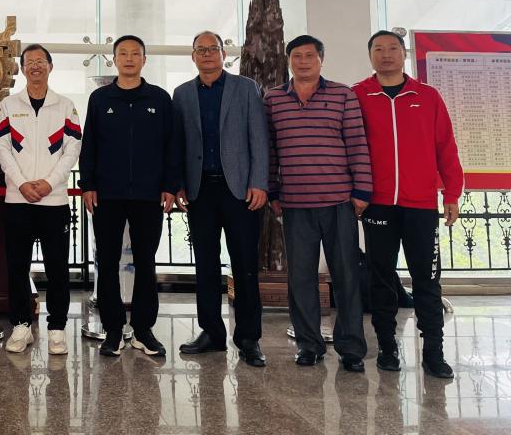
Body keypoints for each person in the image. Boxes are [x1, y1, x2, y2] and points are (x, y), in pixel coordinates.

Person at [353, 30, 463, 379]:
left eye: (392, 48)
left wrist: (452, 193)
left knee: (427, 280)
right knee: (381, 278)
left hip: (421, 206)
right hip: (378, 205)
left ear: (404, 53)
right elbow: (349, 148)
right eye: (378, 49)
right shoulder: (358, 95)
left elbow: (446, 146)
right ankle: (388, 348)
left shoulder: (427, 96)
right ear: (370, 55)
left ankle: (434, 352)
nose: (386, 54)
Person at [265, 34, 371, 372]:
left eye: (310, 55)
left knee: (346, 276)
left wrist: (362, 190)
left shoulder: (343, 95)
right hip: (295, 204)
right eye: (297, 56)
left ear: (321, 59)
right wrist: (273, 192)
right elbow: (270, 150)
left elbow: (357, 143)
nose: (303, 61)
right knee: (301, 278)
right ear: (289, 61)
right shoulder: (273, 99)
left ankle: (351, 348)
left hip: (339, 201)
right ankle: (308, 345)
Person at [172, 31, 270, 366]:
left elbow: (259, 138)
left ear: (223, 53)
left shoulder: (245, 88)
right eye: (200, 50)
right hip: (200, 191)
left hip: (240, 190)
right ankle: (211, 332)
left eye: (213, 49)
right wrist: (179, 184)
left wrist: (259, 182)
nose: (207, 54)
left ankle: (249, 338)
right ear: (193, 56)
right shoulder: (182, 94)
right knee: (205, 265)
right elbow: (179, 143)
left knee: (244, 265)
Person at [79, 34, 175, 358]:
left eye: (136, 53)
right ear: (115, 59)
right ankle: (113, 330)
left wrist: (170, 185)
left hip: (149, 194)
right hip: (107, 194)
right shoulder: (100, 99)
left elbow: (171, 145)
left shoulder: (159, 99)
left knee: (146, 261)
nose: (129, 58)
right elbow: (89, 145)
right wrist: (88, 185)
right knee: (107, 261)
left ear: (144, 60)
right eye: (123, 53)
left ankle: (144, 330)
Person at [0, 43, 82, 355]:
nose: (35, 66)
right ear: (22, 68)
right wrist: (21, 183)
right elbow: (1, 147)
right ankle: (21, 325)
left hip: (53, 201)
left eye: (40, 61)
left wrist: (49, 183)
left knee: (57, 267)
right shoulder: (8, 105)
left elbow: (72, 149)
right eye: (29, 61)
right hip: (18, 200)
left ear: (50, 67)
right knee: (16, 266)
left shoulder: (65, 106)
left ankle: (57, 328)